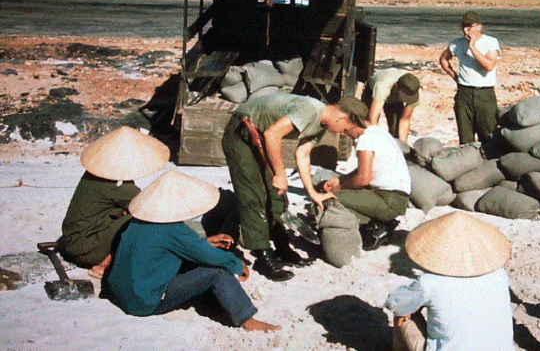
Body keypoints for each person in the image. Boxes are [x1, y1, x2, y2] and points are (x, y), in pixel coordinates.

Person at [107, 170, 279, 332]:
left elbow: (174, 246)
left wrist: (205, 242)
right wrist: (236, 264)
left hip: (121, 293)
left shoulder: (139, 221)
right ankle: (247, 319)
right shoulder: (171, 228)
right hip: (144, 302)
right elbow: (208, 256)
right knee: (218, 272)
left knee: (194, 260)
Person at [221, 93, 364, 281]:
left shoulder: (321, 125)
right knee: (253, 194)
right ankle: (262, 255)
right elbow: (272, 134)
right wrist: (280, 174)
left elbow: (303, 156)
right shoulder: (310, 110)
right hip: (241, 132)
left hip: (259, 136)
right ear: (341, 117)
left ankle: (282, 247)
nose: (341, 133)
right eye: (344, 129)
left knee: (275, 192)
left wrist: (313, 193)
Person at [385, 211, 514, 351]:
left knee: (403, 314)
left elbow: (394, 302)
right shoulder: (500, 276)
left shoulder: (430, 282)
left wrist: (410, 309)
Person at [60, 126, 169, 279]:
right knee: (143, 222)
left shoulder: (99, 172)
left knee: (130, 214)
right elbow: (147, 206)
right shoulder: (115, 183)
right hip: (85, 248)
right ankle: (104, 264)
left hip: (75, 239)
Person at [321, 103, 411, 251]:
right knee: (341, 195)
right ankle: (381, 222)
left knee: (331, 201)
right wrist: (339, 180)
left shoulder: (366, 140)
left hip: (389, 200)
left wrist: (339, 187)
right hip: (395, 199)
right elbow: (366, 168)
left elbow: (363, 179)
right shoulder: (376, 132)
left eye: (345, 130)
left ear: (349, 120)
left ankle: (376, 225)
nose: (344, 134)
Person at [439, 10, 501, 144]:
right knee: (465, 137)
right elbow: (444, 59)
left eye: (469, 27)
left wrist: (472, 47)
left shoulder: (491, 42)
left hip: (484, 93)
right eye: (463, 27)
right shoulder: (456, 43)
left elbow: (489, 65)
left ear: (479, 27)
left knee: (488, 135)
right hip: (464, 93)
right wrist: (455, 77)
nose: (465, 31)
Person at [361, 68, 420, 142]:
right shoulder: (382, 86)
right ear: (396, 86)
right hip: (372, 90)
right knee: (366, 126)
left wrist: (404, 146)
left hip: (395, 94)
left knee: (396, 131)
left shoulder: (412, 88)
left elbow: (405, 119)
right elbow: (373, 118)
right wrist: (375, 143)